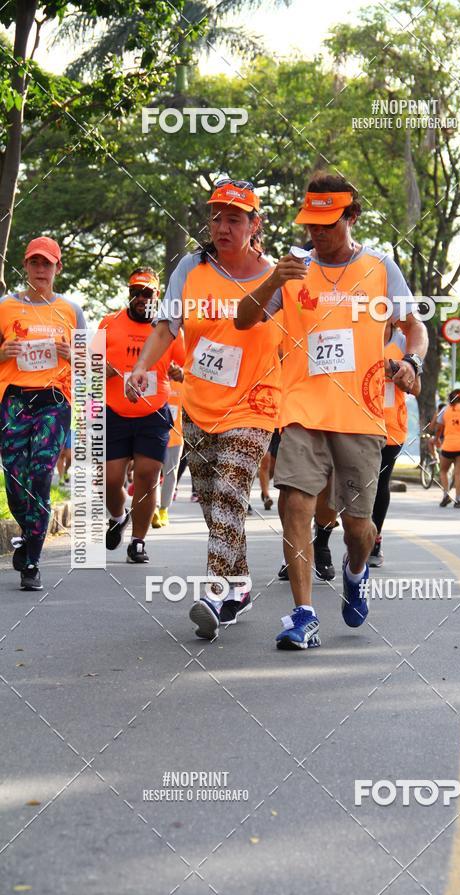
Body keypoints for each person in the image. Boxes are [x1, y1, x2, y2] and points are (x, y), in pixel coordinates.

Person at [236, 171, 428, 650]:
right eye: (311, 224)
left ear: (352, 216)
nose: (316, 233)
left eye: (328, 224)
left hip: (361, 414)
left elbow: (415, 327)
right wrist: (271, 281)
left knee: (358, 528)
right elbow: (244, 319)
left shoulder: (381, 267)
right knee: (295, 501)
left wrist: (411, 361)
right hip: (302, 407)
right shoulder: (293, 269)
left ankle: (355, 569)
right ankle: (303, 615)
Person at [128, 179, 282, 639]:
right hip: (199, 404)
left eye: (234, 219)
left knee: (231, 492)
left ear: (254, 225)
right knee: (216, 504)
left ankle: (213, 592)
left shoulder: (276, 278)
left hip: (254, 404)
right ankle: (240, 585)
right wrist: (141, 367)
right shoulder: (190, 270)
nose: (222, 227)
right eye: (216, 217)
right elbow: (166, 327)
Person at [0, 236, 85, 590]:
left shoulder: (72, 311)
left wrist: (72, 355)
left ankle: (32, 562)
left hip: (54, 402)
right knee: (15, 480)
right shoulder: (5, 307)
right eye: (34, 262)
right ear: (25, 266)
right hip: (14, 401)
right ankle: (28, 534)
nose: (40, 269)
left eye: (46, 264)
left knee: (40, 475)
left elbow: (91, 366)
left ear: (57, 268)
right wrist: (2, 353)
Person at [100, 268, 184, 563]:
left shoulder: (169, 328)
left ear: (157, 295)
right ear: (129, 293)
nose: (141, 298)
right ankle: (118, 516)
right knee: (110, 479)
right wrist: (102, 369)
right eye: (136, 292)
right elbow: (86, 364)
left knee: (148, 476)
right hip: (115, 412)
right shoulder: (109, 323)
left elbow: (187, 366)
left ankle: (138, 542)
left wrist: (180, 372)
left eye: (147, 293)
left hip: (153, 412)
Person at [369, 323, 412, 567]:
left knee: (380, 482)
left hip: (391, 426)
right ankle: (321, 535)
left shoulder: (403, 342)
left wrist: (396, 369)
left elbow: (416, 386)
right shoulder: (358, 330)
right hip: (356, 420)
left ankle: (374, 539)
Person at [151, 364, 184, 528]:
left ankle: (164, 509)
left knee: (170, 475)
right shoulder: (154, 379)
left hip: (175, 437)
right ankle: (154, 508)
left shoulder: (181, 382)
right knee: (153, 473)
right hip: (154, 435)